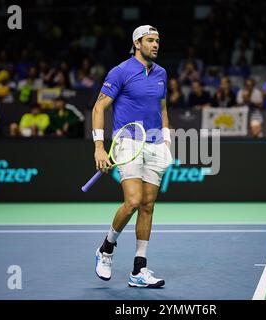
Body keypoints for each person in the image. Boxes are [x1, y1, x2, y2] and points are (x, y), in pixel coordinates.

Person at [92, 25, 172, 288]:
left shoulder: (161, 73)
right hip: (127, 141)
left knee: (148, 205)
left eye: (157, 40)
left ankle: (139, 269)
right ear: (137, 43)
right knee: (134, 201)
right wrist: (99, 147)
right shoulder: (121, 71)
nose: (155, 44)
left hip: (155, 144)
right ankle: (106, 248)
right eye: (150, 40)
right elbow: (99, 107)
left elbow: (161, 108)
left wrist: (167, 140)